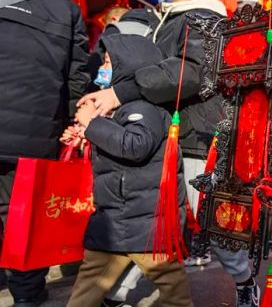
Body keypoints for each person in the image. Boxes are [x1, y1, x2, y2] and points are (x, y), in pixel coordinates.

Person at [77, 0, 259, 307]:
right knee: (149, 219)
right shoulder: (168, 20)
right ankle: (118, 292)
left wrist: (120, 92)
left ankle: (243, 278)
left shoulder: (203, 19)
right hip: (162, 132)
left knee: (210, 220)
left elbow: (188, 73)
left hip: (195, 136)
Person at [62, 38, 192, 307]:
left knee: (172, 290)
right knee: (88, 288)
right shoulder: (126, 107)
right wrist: (85, 133)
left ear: (128, 66)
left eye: (109, 61)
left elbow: (135, 145)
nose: (103, 66)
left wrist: (92, 125)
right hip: (119, 219)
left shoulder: (143, 107)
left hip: (140, 223)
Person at [0, 0, 90, 306]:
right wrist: (66, 126)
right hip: (34, 137)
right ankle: (26, 297)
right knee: (20, 217)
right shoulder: (65, 8)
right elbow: (77, 78)